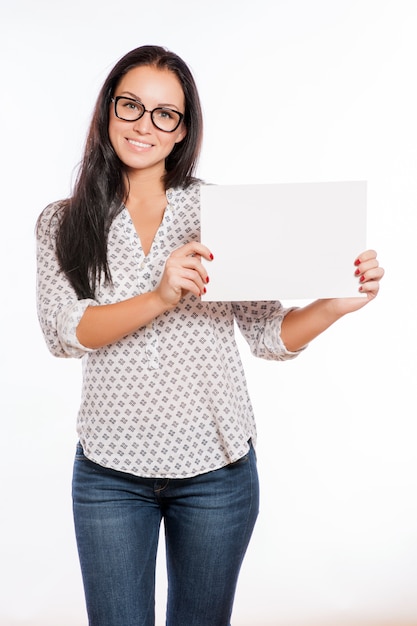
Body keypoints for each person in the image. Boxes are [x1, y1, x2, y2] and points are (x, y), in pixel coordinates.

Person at [36, 45, 384, 626]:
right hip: (109, 475)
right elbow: (64, 332)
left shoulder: (216, 211)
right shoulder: (62, 221)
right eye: (131, 107)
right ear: (107, 113)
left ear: (182, 131)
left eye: (165, 114)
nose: (145, 125)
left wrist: (334, 305)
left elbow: (269, 334)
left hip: (217, 473)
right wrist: (160, 295)